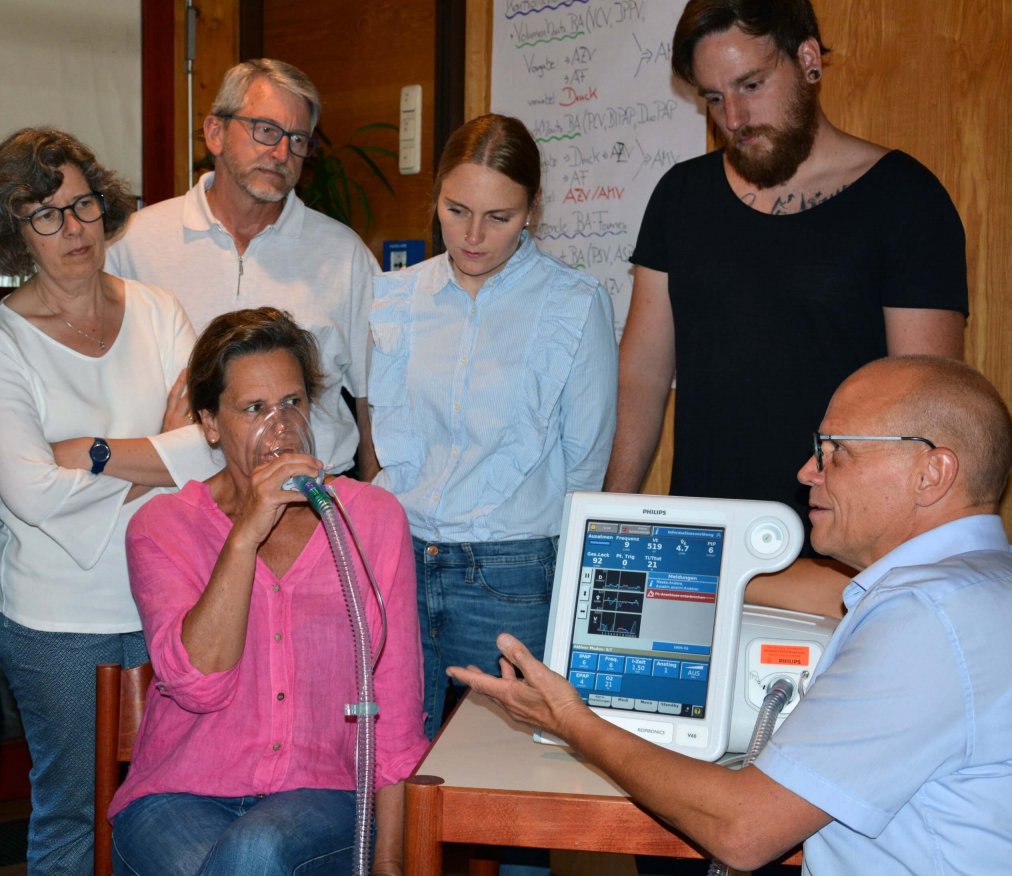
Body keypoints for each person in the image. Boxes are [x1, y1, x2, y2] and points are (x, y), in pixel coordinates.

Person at [452, 355, 1012, 874]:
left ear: (931, 472)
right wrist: (670, 567)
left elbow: (743, 830)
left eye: (837, 451)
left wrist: (569, 719)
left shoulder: (924, 622)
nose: (808, 471)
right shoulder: (990, 583)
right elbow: (828, 593)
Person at [604, 0, 969, 574]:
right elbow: (642, 376)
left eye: (751, 84)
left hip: (846, 562)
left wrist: (899, 573)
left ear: (808, 60)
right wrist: (610, 524)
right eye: (714, 98)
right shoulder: (681, 196)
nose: (734, 117)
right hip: (701, 552)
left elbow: (927, 409)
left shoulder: (905, 200)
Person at [109, 308, 429, 875]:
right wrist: (245, 533)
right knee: (240, 861)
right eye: (253, 409)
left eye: (292, 403)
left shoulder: (368, 518)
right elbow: (199, 684)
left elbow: (397, 707)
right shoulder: (162, 527)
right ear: (210, 422)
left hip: (325, 793)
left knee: (255, 851)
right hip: (180, 793)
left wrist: (389, 862)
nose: (278, 427)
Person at [368, 113, 618, 740]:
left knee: (504, 767)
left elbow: (585, 465)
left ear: (533, 210)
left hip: (511, 572)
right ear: (436, 197)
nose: (473, 236)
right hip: (399, 562)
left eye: (499, 217)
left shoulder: (573, 303)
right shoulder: (397, 297)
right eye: (456, 211)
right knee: (393, 757)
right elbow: (387, 443)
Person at [0, 127, 206, 874]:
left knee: (170, 806)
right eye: (45, 213)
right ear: (17, 230)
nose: (73, 228)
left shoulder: (158, 309)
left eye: (83, 204)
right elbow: (30, 492)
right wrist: (161, 455)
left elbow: (214, 446)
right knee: (74, 814)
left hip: (169, 603)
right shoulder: (7, 339)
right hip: (59, 621)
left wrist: (89, 453)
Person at [107, 58, 378, 478]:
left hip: (311, 496)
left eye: (298, 139)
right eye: (266, 130)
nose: (282, 153)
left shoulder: (344, 255)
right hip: (180, 494)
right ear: (215, 132)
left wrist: (375, 501)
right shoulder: (135, 243)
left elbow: (374, 398)